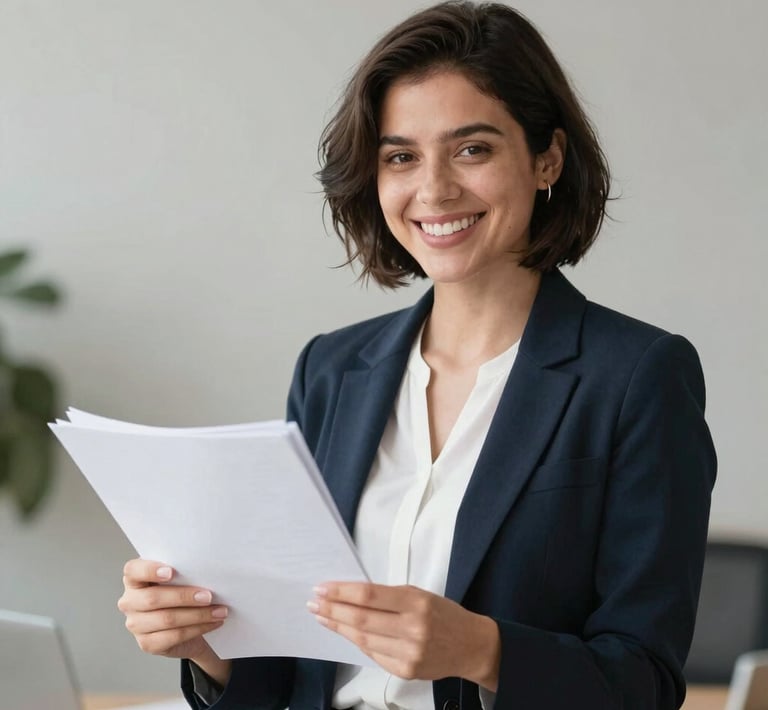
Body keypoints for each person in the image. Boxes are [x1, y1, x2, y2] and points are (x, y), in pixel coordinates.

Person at [118, 2, 717, 709]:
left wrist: (481, 651)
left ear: (547, 159)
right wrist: (203, 644)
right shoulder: (332, 371)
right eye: (401, 157)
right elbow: (290, 669)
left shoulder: (637, 377)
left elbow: (645, 681)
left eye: (472, 149)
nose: (434, 190)